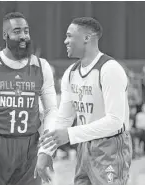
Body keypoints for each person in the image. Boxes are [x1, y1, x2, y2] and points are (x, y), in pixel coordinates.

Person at [36, 17, 132, 185]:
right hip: (83, 145)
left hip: (110, 145)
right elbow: (64, 119)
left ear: (87, 38)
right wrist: (45, 152)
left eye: (69, 36)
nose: (65, 41)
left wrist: (71, 134)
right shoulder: (71, 73)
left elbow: (115, 122)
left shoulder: (110, 69)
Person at [0, 12, 57, 185]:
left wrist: (47, 138)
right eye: (17, 31)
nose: (23, 35)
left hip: (30, 145)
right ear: (5, 35)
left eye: (26, 31)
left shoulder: (41, 66)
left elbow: (52, 109)